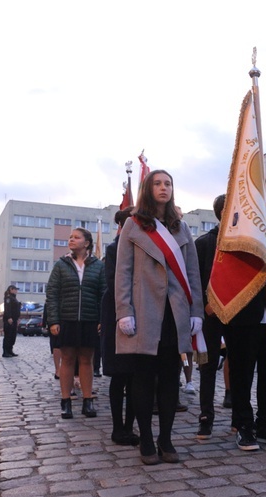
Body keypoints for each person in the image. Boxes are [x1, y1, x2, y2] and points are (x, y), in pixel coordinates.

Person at [115, 170, 203, 465]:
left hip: (175, 313)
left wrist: (196, 312)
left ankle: (166, 439)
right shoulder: (133, 225)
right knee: (142, 380)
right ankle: (147, 441)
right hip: (144, 311)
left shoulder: (181, 227)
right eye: (157, 183)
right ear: (147, 189)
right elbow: (123, 272)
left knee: (170, 379)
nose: (163, 188)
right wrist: (123, 312)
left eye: (168, 184)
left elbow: (193, 273)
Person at [223, 179, 266, 451]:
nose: (264, 198)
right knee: (242, 373)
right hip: (244, 313)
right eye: (259, 192)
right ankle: (243, 424)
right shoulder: (234, 231)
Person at [46, 227, 106, 419]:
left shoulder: (98, 266)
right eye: (70, 237)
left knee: (87, 360)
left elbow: (103, 294)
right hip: (67, 319)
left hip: (89, 319)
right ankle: (66, 402)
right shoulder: (61, 264)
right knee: (68, 359)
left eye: (76, 237)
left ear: (86, 243)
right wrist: (53, 320)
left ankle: (88, 401)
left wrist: (102, 319)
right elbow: (52, 293)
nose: (71, 240)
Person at [100, 207, 139, 447]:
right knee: (119, 375)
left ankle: (129, 426)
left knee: (135, 375)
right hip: (117, 313)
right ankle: (118, 427)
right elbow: (116, 283)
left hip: (140, 314)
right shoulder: (115, 248)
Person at [194, 194, 229, 440]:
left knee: (240, 366)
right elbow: (195, 279)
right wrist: (205, 305)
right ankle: (206, 416)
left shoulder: (246, 240)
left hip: (239, 314)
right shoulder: (205, 242)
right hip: (211, 314)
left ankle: (241, 416)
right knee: (208, 367)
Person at [2, 285, 21, 358]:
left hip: (14, 319)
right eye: (15, 289)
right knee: (8, 336)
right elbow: (8, 308)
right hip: (9, 320)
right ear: (11, 289)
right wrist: (9, 317)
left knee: (13, 336)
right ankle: (5, 351)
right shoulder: (8, 298)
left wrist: (18, 318)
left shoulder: (13, 298)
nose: (16, 291)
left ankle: (10, 350)